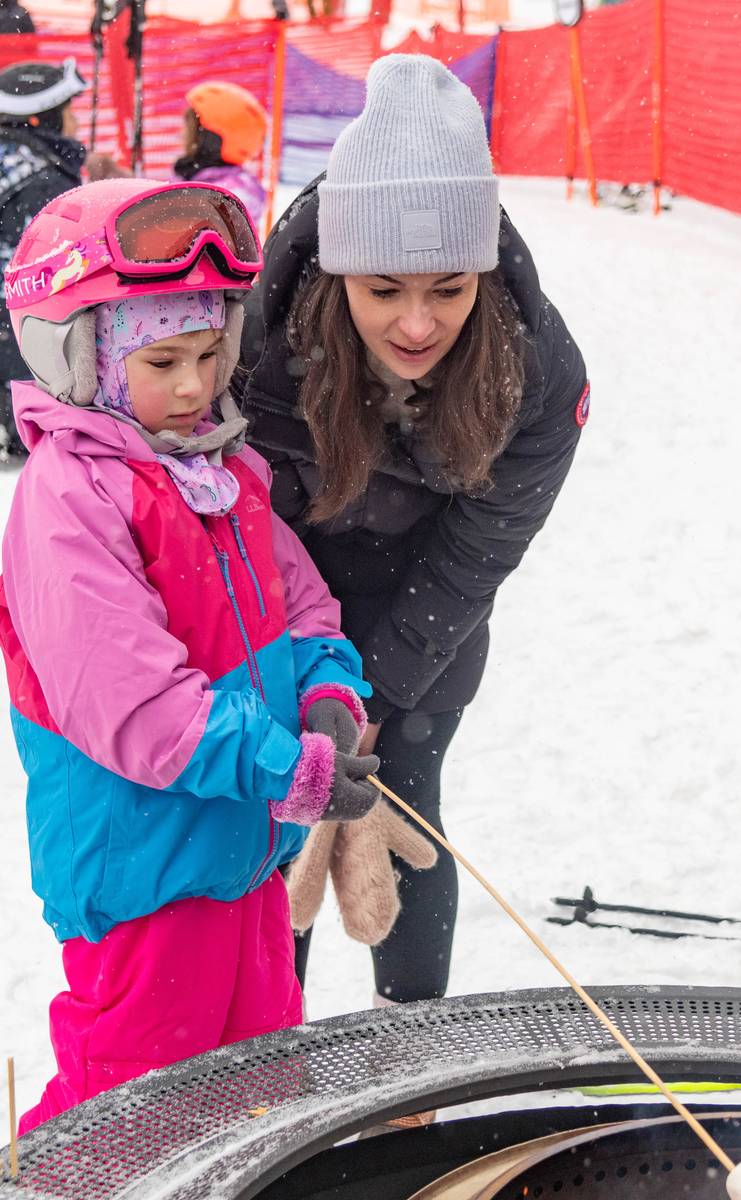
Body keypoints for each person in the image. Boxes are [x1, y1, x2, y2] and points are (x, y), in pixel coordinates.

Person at [0, 178, 390, 1132]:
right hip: (145, 879)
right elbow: (139, 708)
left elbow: (301, 604)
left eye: (211, 353)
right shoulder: (69, 505)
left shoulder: (219, 471)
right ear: (82, 361)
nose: (193, 386)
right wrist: (280, 769)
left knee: (261, 1090)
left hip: (245, 858)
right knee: (132, 1111)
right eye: (162, 360)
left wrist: (331, 693)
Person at [239, 55, 588, 1014]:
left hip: (423, 616)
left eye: (449, 287)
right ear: (342, 267)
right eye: (383, 287)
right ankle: (277, 1056)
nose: (419, 322)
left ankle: (414, 1040)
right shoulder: (259, 343)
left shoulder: (539, 373)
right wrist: (311, 674)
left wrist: (380, 690)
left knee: (403, 810)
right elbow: (232, 505)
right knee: (283, 829)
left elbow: (480, 550)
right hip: (282, 612)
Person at [0, 58, 88, 457]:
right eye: (69, 113)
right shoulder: (44, 179)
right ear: (42, 119)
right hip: (13, 320)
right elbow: (43, 272)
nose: (75, 124)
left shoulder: (14, 155)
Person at [173, 81, 268, 224]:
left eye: (189, 128)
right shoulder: (189, 176)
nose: (181, 135)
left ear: (211, 139)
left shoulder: (231, 198)